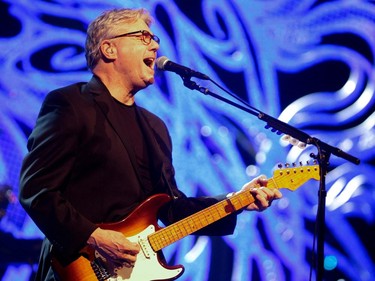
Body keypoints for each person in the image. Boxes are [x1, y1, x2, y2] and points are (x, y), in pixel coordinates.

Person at [19, 8, 282, 281]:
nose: (155, 44)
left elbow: (171, 208)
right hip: (78, 267)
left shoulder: (155, 127)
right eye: (143, 36)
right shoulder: (71, 104)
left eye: (154, 37)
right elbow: (37, 190)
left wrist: (236, 201)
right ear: (109, 49)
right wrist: (94, 237)